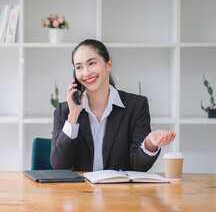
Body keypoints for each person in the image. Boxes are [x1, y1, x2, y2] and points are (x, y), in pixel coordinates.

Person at [50, 39, 176, 172]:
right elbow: (59, 165)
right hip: (80, 191)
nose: (86, 73)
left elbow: (139, 166)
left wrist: (149, 143)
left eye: (92, 63)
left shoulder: (136, 106)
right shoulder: (64, 112)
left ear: (108, 64)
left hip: (119, 191)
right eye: (79, 67)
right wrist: (73, 116)